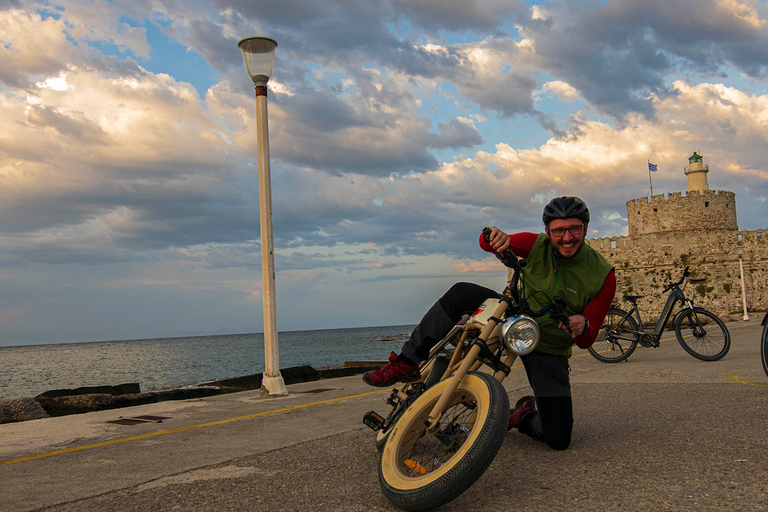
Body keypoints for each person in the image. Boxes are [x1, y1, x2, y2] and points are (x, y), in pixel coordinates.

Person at [362, 196, 616, 450]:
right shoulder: (535, 243)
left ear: (586, 228)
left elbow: (587, 340)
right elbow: (488, 244)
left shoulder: (602, 275)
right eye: (559, 230)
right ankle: (406, 363)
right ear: (548, 231)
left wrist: (582, 324)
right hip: (513, 314)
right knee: (461, 292)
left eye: (575, 229)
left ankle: (523, 415)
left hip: (547, 345)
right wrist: (494, 236)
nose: (567, 237)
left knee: (559, 438)